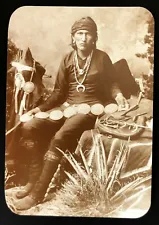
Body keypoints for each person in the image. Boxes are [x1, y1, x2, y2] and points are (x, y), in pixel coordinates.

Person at [13, 16, 129, 210]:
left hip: (91, 109)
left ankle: (38, 194)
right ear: (73, 37)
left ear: (94, 37)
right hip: (67, 107)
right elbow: (59, 92)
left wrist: (118, 96)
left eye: (87, 33)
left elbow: (113, 84)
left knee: (61, 136)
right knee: (29, 126)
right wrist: (39, 109)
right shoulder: (67, 58)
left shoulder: (102, 58)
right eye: (79, 34)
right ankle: (33, 181)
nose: (83, 38)